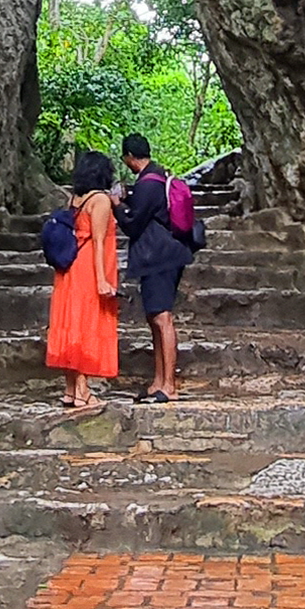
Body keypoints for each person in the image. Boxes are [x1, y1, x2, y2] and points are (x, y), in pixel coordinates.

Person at [45, 145, 120, 412]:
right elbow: (98, 242)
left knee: (70, 324)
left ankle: (70, 389)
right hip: (88, 269)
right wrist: (102, 279)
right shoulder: (99, 200)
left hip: (69, 270)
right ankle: (83, 392)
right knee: (86, 325)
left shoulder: (75, 199)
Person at [118, 132, 192, 403]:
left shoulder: (148, 184)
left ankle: (168, 385)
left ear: (129, 157)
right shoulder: (157, 177)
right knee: (154, 318)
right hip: (161, 255)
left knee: (162, 319)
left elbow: (133, 223)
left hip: (159, 256)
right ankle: (159, 381)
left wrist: (117, 206)